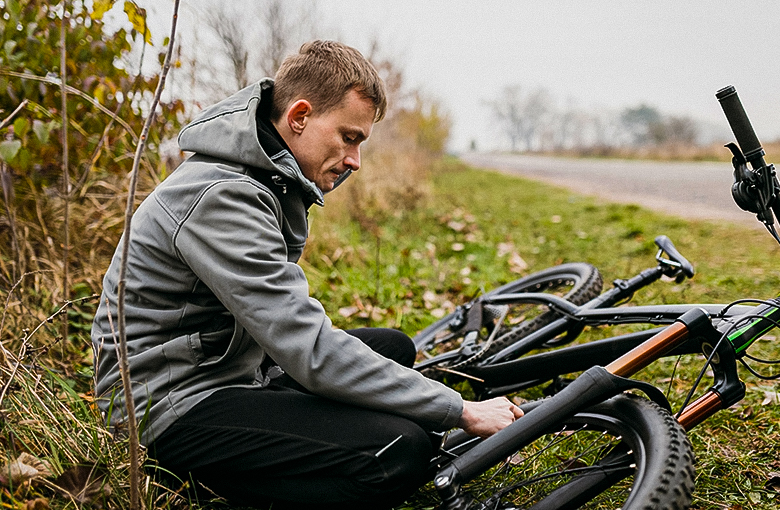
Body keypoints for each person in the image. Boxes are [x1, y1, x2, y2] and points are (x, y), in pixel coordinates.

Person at [91, 40, 522, 509]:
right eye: (349, 137)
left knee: (394, 347)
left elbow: (294, 337)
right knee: (400, 450)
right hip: (165, 407)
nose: (355, 160)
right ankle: (214, 488)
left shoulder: (264, 176)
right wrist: (459, 410)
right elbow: (309, 348)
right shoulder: (220, 196)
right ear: (298, 117)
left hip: (229, 372)